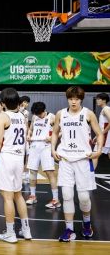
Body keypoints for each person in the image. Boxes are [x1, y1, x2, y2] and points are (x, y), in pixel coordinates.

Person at [51, 86, 103, 242]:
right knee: (67, 195)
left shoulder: (88, 114)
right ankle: (69, 230)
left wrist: (99, 150)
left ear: (81, 99)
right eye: (71, 98)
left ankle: (87, 225)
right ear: (67, 99)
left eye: (77, 99)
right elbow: (54, 133)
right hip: (66, 159)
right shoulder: (61, 114)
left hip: (83, 159)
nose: (74, 101)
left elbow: (99, 134)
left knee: (84, 197)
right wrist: (53, 149)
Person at [0, 87, 32, 244]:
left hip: (7, 157)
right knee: (18, 194)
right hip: (19, 158)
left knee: (7, 197)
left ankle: (10, 232)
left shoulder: (3, 117)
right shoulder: (22, 116)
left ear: (4, 102)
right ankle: (26, 230)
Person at [25, 102, 60, 209]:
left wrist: (52, 138)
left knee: (49, 172)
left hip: (46, 146)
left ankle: (56, 199)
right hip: (35, 146)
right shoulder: (35, 117)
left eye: (40, 113)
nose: (38, 115)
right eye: (37, 114)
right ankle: (32, 196)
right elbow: (30, 130)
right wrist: (28, 135)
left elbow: (61, 131)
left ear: (44, 110)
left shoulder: (52, 117)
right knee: (32, 171)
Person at [92, 93, 110, 168]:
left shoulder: (105, 109)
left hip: (105, 137)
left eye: (99, 99)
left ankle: (90, 175)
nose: (97, 100)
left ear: (104, 100)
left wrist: (101, 135)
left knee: (95, 154)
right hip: (106, 136)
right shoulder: (106, 109)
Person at [19, 95, 31, 182]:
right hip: (17, 135)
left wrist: (28, 134)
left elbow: (26, 124)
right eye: (25, 102)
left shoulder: (27, 112)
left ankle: (26, 173)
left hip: (24, 135)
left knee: (28, 154)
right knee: (20, 154)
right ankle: (19, 172)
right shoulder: (16, 110)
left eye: (27, 103)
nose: (26, 104)